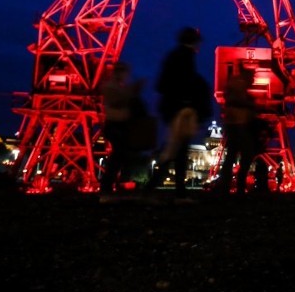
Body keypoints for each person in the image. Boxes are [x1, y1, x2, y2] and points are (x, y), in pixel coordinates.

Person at [146, 27, 212, 195]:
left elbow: (162, 83)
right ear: (194, 42)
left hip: (171, 107)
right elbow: (186, 82)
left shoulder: (174, 56)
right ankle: (160, 189)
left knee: (177, 148)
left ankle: (161, 188)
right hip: (180, 108)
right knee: (177, 148)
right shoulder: (186, 57)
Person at [100, 61, 143, 194]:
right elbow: (118, 100)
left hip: (118, 125)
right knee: (119, 156)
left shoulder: (115, 86)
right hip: (115, 124)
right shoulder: (112, 87)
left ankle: (111, 185)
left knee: (120, 155)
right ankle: (108, 186)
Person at [216, 69, 257, 195]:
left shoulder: (234, 85)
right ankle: (238, 186)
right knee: (246, 154)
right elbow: (236, 103)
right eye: (253, 78)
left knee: (231, 156)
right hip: (239, 125)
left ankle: (225, 186)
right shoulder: (239, 87)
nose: (254, 80)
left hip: (233, 125)